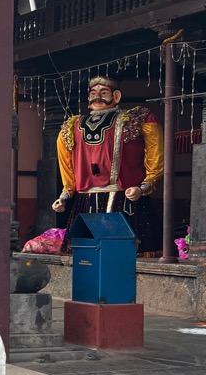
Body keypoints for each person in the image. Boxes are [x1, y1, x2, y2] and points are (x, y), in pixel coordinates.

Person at [52, 75, 164, 254]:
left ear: (116, 96)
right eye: (93, 93)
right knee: (86, 254)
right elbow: (66, 163)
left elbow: (155, 154)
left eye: (104, 93)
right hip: (87, 199)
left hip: (124, 197)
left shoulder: (136, 118)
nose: (97, 97)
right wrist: (65, 195)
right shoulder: (72, 126)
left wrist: (144, 186)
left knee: (123, 254)